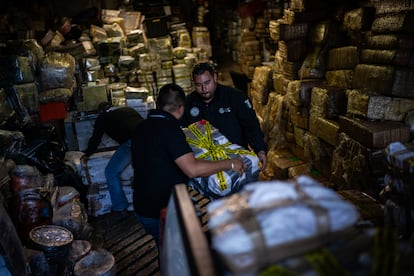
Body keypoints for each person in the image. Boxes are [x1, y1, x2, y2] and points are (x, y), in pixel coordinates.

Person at [131, 83, 245, 249]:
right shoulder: (171, 129)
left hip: (142, 207)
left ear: (157, 104)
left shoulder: (140, 128)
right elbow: (192, 169)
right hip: (163, 210)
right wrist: (230, 163)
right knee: (180, 257)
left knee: (165, 252)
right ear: (181, 108)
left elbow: (137, 163)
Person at [181, 62, 268, 171]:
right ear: (193, 83)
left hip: (238, 162)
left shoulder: (235, 97)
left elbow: (251, 126)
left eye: (207, 82)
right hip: (206, 166)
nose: (204, 88)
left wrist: (260, 149)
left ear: (215, 78)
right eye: (199, 85)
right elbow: (182, 135)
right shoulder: (188, 103)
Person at [81, 102, 144, 213]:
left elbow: (96, 138)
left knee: (111, 172)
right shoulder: (128, 109)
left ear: (101, 111)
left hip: (133, 141)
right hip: (149, 137)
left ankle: (120, 206)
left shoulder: (103, 117)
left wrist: (87, 154)